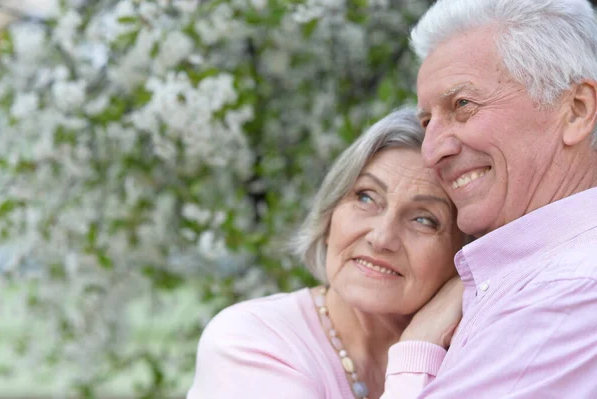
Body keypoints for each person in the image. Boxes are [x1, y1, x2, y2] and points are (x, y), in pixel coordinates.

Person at [379, 0, 597, 398]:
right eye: (427, 121)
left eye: (462, 105)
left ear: (576, 110)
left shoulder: (572, 290)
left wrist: (416, 348)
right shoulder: (536, 278)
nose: (431, 152)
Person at [185, 107, 466, 399]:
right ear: (331, 211)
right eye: (366, 197)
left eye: (424, 219)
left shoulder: (474, 354)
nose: (382, 238)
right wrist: (418, 349)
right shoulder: (247, 341)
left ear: (462, 252)